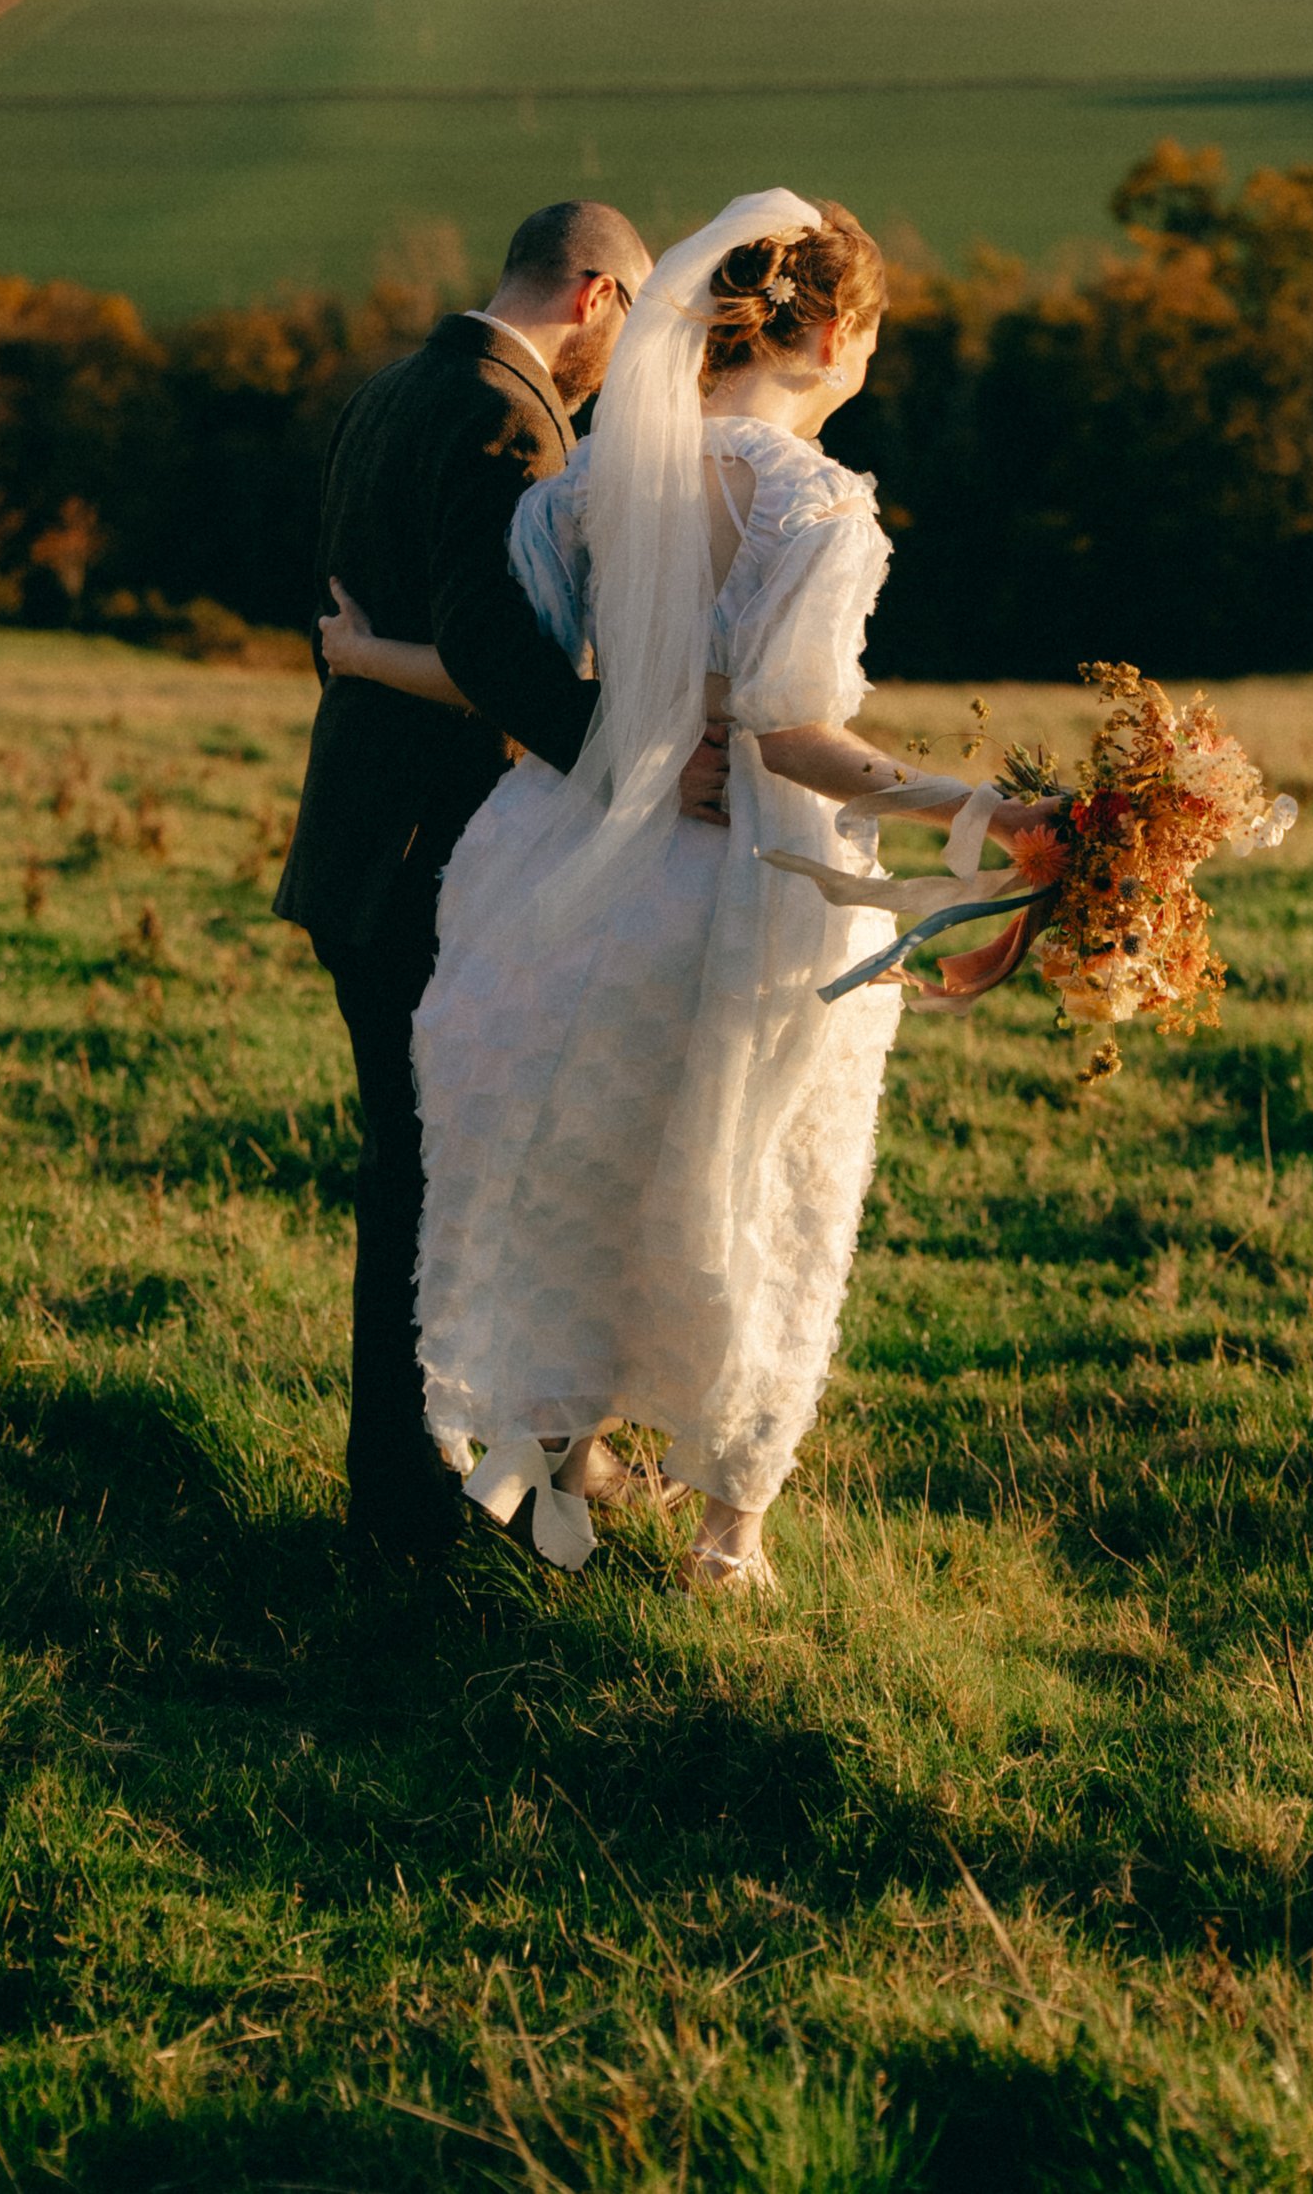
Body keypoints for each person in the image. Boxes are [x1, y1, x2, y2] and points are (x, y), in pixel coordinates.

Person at [316, 188, 1058, 1596]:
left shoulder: (593, 480)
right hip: (741, 884)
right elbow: (794, 737)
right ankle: (731, 1530)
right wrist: (986, 808)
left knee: (601, 1162)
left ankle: (555, 1455)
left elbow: (514, 671)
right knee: (756, 1177)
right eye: (873, 340)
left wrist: (367, 657)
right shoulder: (815, 503)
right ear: (832, 329)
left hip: (572, 880)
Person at [273, 195, 660, 1564]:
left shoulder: (389, 391)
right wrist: (635, 765)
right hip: (424, 861)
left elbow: (349, 611)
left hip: (357, 846)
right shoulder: (510, 415)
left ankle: (504, 1461)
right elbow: (492, 649)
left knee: (434, 1170)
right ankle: (408, 1503)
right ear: (600, 295)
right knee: (435, 1178)